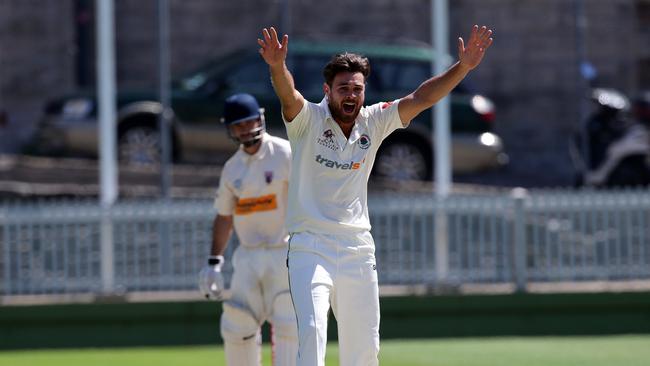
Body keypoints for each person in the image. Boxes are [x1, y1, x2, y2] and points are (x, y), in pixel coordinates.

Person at [257, 25, 493, 366]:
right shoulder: (308, 120)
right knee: (311, 333)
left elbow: (421, 98)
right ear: (327, 90)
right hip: (311, 246)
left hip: (357, 250)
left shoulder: (374, 121)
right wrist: (278, 67)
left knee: (365, 350)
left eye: (357, 89)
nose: (350, 95)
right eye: (343, 89)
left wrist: (464, 67)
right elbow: (289, 96)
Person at [198, 93, 297, 366]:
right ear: (230, 129)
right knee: (236, 324)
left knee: (291, 323)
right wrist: (214, 262)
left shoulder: (285, 153)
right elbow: (224, 216)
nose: (245, 129)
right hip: (249, 256)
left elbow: (308, 198)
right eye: (238, 125)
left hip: (285, 253)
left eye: (249, 121)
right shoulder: (232, 169)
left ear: (261, 119)